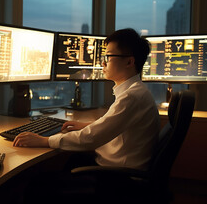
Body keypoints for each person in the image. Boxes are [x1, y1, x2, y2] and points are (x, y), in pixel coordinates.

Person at [13, 28, 160, 171]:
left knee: (39, 183)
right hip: (116, 165)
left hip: (117, 176)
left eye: (108, 57)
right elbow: (113, 125)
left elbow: (91, 139)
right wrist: (86, 125)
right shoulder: (135, 91)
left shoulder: (132, 97)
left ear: (129, 62)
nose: (103, 63)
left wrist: (44, 141)